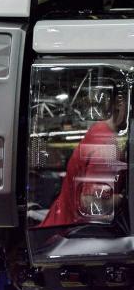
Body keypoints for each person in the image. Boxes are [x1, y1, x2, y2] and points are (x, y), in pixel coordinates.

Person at [39, 86, 128, 229]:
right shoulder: (107, 145)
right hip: (70, 236)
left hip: (60, 227)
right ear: (120, 103)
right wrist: (124, 198)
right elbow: (90, 203)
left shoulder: (99, 130)